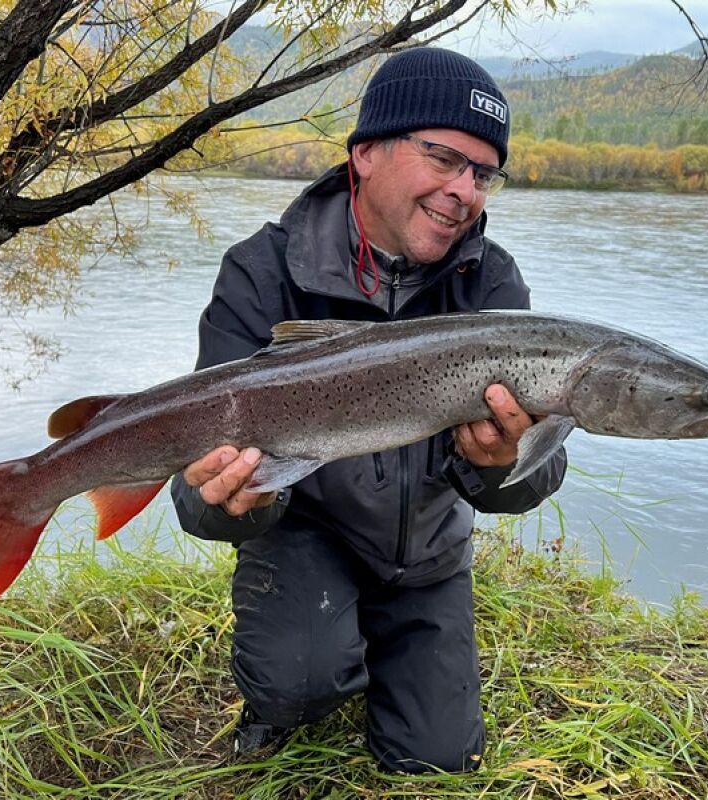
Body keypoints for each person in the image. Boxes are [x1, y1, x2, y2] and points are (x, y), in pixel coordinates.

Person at [170, 46, 567, 773]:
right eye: (444, 158)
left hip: (428, 554)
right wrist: (234, 501)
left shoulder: (491, 283)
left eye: (483, 174)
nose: (464, 190)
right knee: (294, 688)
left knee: (439, 758)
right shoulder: (262, 271)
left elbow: (529, 481)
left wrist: (500, 464)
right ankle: (297, 677)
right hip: (305, 534)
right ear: (366, 154)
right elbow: (198, 500)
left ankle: (387, 655)